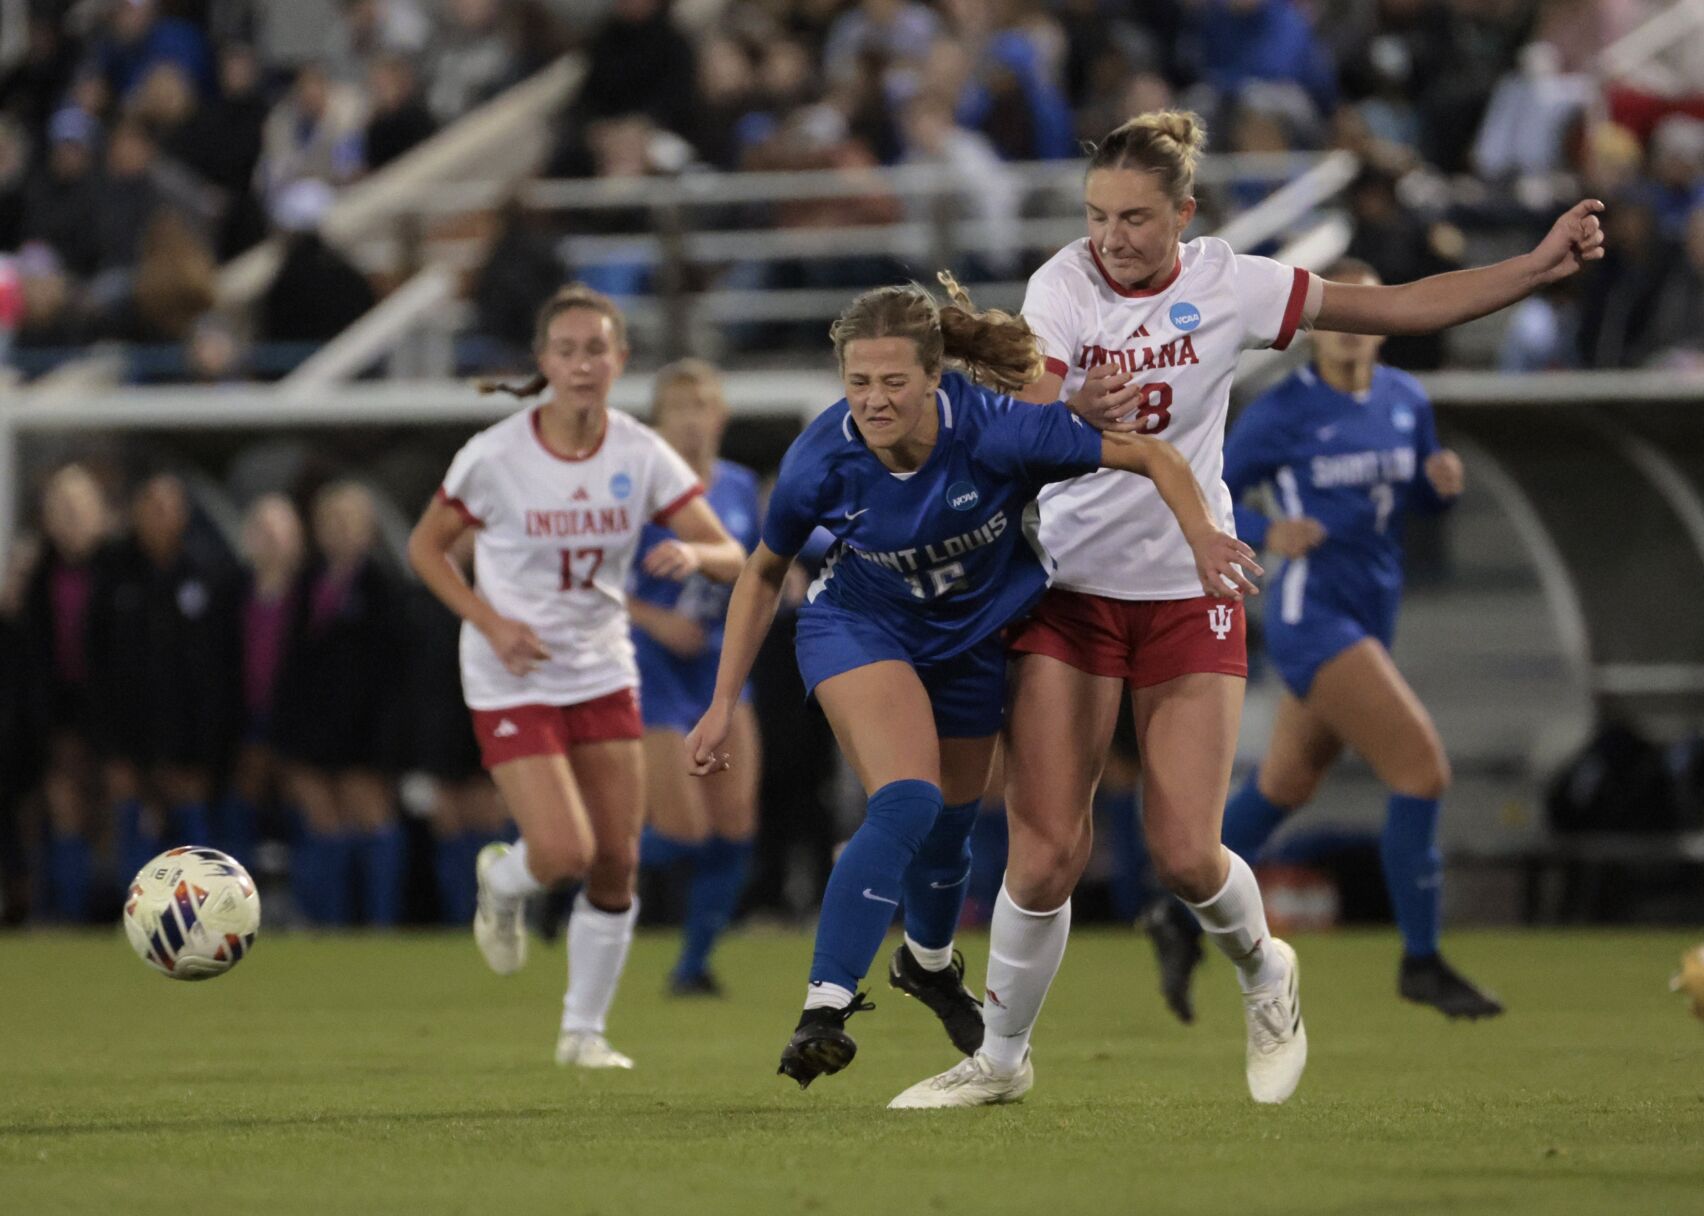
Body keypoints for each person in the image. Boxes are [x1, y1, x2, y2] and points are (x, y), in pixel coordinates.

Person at [891, 110, 1602, 1109]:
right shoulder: (1062, 284)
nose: (1111, 238)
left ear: (1183, 213)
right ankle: (1001, 1061)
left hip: (1190, 590)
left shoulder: (1233, 283)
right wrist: (1061, 411)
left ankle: (1268, 974)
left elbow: (1396, 307)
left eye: (1135, 218)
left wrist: (1533, 267)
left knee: (1185, 851)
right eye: (1097, 216)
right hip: (1073, 592)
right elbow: (1037, 389)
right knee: (1046, 849)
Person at [684, 277, 1257, 1093]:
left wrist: (1203, 535)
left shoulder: (999, 432)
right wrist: (718, 704)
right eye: (857, 382)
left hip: (967, 641)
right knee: (907, 803)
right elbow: (763, 571)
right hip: (857, 626)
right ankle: (826, 1004)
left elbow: (1153, 455)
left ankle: (927, 964)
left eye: (892, 382)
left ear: (934, 377)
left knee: (951, 830)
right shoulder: (821, 458)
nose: (873, 402)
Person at [1147, 256, 1501, 1021]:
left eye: (1365, 319)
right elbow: (1212, 491)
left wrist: (1437, 492)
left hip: (1374, 609)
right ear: (1314, 330)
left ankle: (1172, 910)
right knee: (1422, 770)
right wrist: (1273, 530)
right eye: (1336, 321)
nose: (1350, 335)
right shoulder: (1284, 410)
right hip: (1314, 618)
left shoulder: (1406, 399)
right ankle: (1423, 959)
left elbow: (1407, 499)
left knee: (1285, 786)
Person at [408, 284, 744, 1070]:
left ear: (620, 360)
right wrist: (490, 621)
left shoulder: (638, 450)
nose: (583, 364)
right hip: (512, 671)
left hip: (600, 667)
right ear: (543, 362)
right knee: (561, 850)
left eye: (597, 349)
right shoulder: (495, 455)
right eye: (567, 350)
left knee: (616, 860)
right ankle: (506, 876)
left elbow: (730, 551)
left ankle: (583, 1032)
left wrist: (695, 554)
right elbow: (426, 549)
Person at [629, 359, 764, 996]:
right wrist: (653, 621)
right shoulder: (635, 491)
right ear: (657, 423)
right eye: (678, 407)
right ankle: (580, 865)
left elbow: (759, 569)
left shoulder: (738, 488)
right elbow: (592, 581)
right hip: (654, 669)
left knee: (735, 825)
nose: (691, 420)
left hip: (720, 667)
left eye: (701, 404)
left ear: (722, 415)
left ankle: (692, 967)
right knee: (684, 829)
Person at [271, 483, 407, 927]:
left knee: (370, 819)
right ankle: (331, 922)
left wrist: (384, 737)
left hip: (363, 732)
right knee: (323, 824)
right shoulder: (308, 586)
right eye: (330, 521)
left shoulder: (382, 588)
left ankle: (381, 921)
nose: (339, 531)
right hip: (315, 729)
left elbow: (390, 673)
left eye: (349, 521)